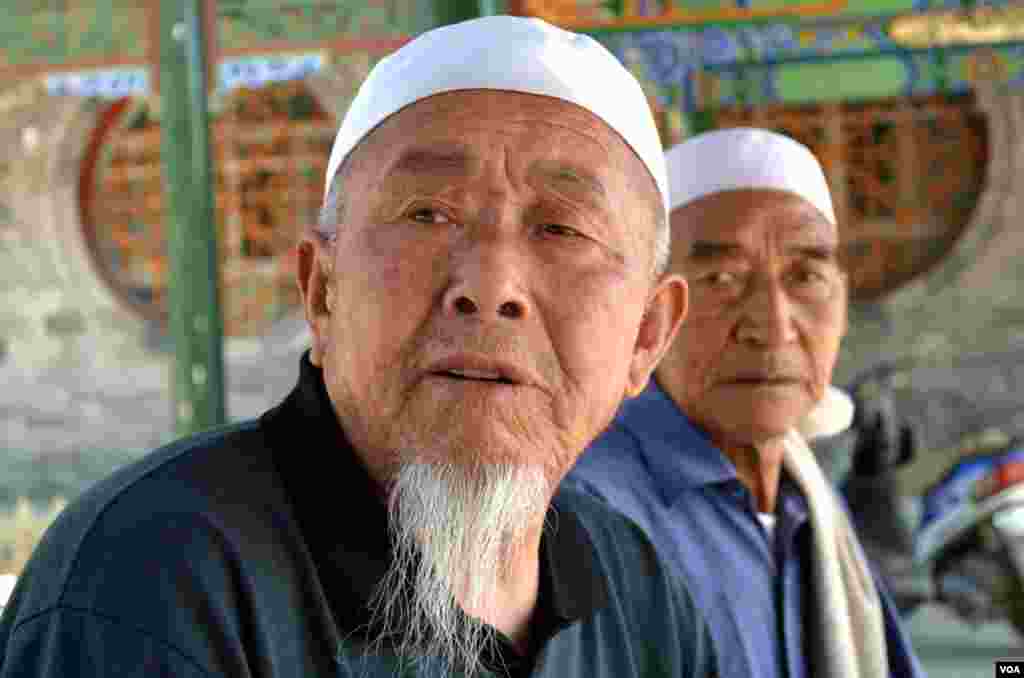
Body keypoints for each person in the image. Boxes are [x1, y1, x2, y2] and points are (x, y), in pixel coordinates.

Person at [0, 15, 717, 678]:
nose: (493, 285)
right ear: (322, 291)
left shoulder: (639, 592)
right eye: (428, 213)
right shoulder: (156, 578)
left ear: (648, 335)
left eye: (562, 229)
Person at [567, 128, 925, 678]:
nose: (773, 327)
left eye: (805, 276)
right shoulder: (587, 514)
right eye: (722, 279)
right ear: (650, 312)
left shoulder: (807, 501)